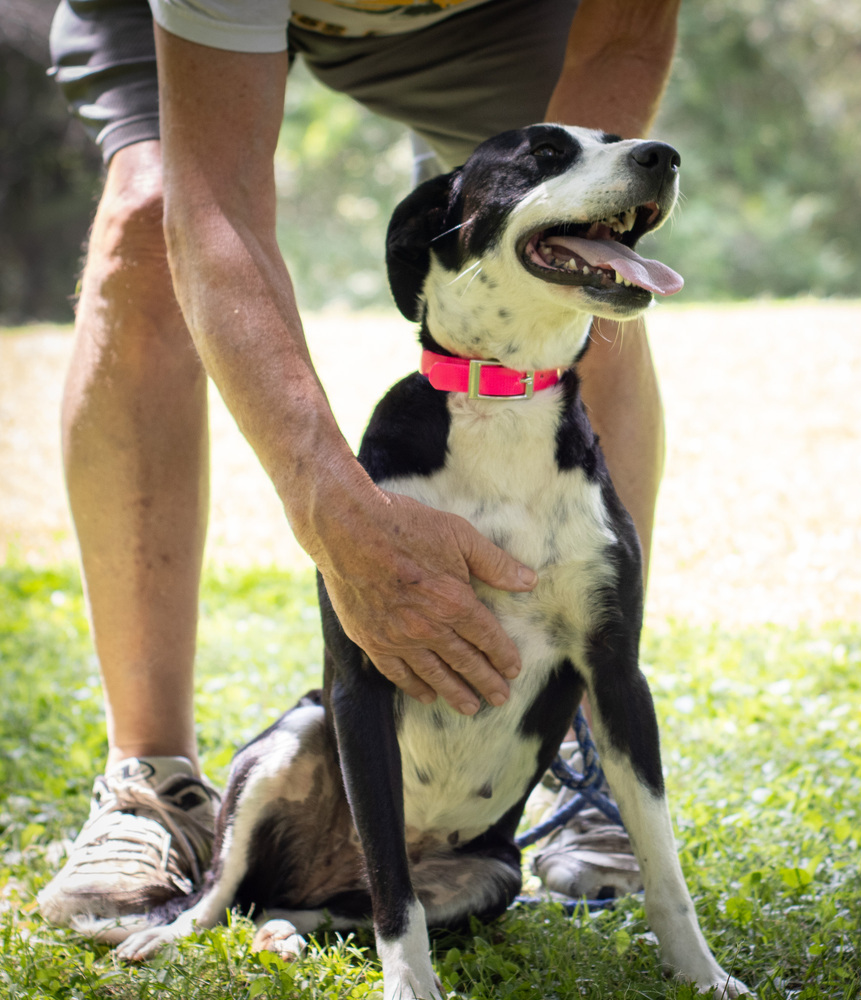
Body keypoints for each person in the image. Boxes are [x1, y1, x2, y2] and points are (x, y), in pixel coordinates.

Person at [39, 0, 681, 925]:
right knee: (150, 219)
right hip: (205, 22)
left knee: (589, 262)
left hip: (490, 17)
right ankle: (151, 780)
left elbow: (620, 39)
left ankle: (571, 740)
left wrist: (580, 232)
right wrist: (338, 513)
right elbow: (215, 205)